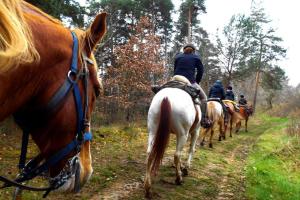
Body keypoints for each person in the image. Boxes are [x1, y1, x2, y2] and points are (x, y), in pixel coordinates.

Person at [174, 43, 209, 127]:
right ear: (193, 51)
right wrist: (196, 81)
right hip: (189, 81)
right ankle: (203, 120)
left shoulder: (178, 57)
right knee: (204, 98)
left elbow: (175, 69)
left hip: (175, 79)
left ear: (184, 50)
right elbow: (200, 72)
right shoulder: (196, 57)